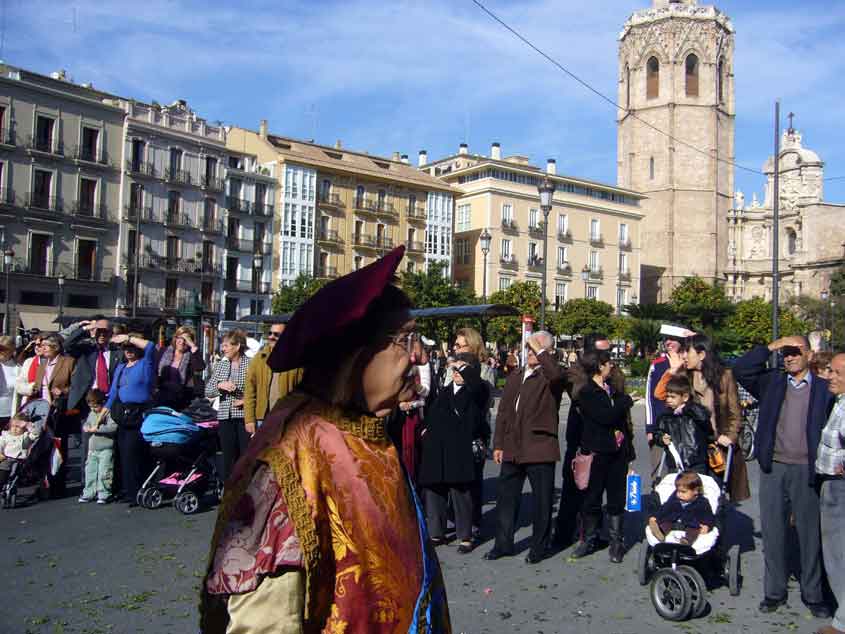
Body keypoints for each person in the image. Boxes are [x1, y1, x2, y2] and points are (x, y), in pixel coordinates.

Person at [201, 246, 450, 633]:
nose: (418, 357)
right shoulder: (292, 454)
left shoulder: (363, 430)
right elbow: (266, 620)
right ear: (356, 353)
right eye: (405, 339)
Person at [733, 335, 833, 618]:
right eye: (785, 353)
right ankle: (774, 592)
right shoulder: (772, 383)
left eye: (795, 352)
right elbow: (741, 370)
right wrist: (772, 346)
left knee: (809, 534)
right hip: (774, 467)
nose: (789, 357)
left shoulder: (823, 389)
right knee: (774, 532)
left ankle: (813, 594)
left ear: (809, 355)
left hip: (807, 470)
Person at [485, 331, 564, 564]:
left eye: (535, 348)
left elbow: (556, 375)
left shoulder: (551, 375)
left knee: (542, 502)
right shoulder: (516, 375)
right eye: (529, 348)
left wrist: (540, 350)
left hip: (539, 446)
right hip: (513, 446)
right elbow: (503, 412)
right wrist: (498, 444)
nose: (530, 351)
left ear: (548, 351)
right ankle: (503, 544)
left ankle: (539, 547)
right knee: (506, 499)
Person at [553, 332, 629, 549]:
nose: (608, 356)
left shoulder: (614, 372)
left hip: (611, 440)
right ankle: (564, 534)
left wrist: (627, 441)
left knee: (606, 491)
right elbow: (581, 396)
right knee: (575, 487)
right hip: (582, 438)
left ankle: (596, 534)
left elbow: (622, 409)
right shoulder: (577, 373)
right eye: (602, 351)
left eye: (609, 351)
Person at [655, 335, 750, 501]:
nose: (684, 355)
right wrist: (671, 372)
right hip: (693, 446)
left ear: (702, 354)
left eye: (687, 351)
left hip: (717, 445)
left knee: (713, 494)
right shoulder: (684, 375)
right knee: (689, 495)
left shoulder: (724, 375)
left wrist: (730, 436)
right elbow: (660, 394)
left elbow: (735, 412)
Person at [418, 352, 489, 553]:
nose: (456, 372)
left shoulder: (477, 390)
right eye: (454, 369)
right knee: (435, 489)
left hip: (460, 448)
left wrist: (463, 367)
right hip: (437, 447)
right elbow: (433, 413)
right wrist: (426, 429)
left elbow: (477, 388)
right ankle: (436, 532)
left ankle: (465, 535)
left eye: (461, 369)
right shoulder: (446, 390)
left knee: (460, 492)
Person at [570, 349, 634, 563]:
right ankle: (589, 538)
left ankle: (616, 542)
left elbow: (624, 424)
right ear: (599, 366)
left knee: (616, 497)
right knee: (592, 498)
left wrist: (629, 453)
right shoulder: (587, 392)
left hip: (617, 453)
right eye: (608, 363)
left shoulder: (613, 389)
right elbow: (605, 417)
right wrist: (625, 402)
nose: (611, 366)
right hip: (597, 452)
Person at [61, 317, 123, 486]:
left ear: (111, 333)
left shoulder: (117, 352)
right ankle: (87, 483)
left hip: (110, 399)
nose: (102, 335)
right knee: (88, 442)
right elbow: (66, 345)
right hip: (89, 399)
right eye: (99, 332)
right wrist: (86, 328)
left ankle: (110, 483)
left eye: (105, 332)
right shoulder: (86, 349)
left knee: (112, 442)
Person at [105, 332, 156, 506]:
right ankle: (125, 490)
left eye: (131, 348)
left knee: (133, 453)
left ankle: (136, 491)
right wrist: (103, 412)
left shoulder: (145, 364)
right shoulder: (121, 367)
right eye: (125, 348)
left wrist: (128, 338)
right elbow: (113, 391)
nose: (128, 351)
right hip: (122, 414)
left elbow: (150, 346)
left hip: (138, 413)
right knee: (121, 453)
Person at [816, 353, 845, 634]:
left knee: (838, 556)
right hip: (833, 484)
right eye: (830, 370)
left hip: (839, 487)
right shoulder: (839, 401)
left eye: (836, 373)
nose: (830, 376)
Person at [646, 324, 696, 473]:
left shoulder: (691, 362)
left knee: (688, 474)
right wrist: (650, 427)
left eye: (673, 339)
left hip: (688, 425)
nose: (668, 342)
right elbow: (651, 398)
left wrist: (696, 337)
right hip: (662, 425)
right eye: (666, 339)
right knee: (660, 474)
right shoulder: (658, 364)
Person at [205, 329, 250, 481]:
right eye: (222, 346)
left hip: (244, 417)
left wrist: (245, 400)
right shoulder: (221, 365)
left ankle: (244, 488)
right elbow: (208, 391)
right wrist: (220, 385)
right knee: (228, 457)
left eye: (226, 345)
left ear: (237, 346)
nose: (222, 349)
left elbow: (260, 390)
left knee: (245, 456)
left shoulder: (251, 364)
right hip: (225, 417)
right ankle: (228, 488)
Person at [244, 322, 303, 438]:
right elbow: (249, 390)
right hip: (262, 418)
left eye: (276, 334)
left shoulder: (296, 360)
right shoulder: (259, 358)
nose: (271, 337)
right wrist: (249, 419)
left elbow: (303, 391)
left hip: (287, 418)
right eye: (270, 333)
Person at [35, 334, 76, 497]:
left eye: (46, 345)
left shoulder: (68, 362)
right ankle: (44, 484)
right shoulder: (42, 364)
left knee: (59, 447)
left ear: (56, 347)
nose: (42, 348)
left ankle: (58, 485)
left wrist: (63, 391)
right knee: (42, 448)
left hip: (58, 411)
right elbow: (39, 386)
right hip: (42, 412)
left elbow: (76, 385)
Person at [654, 374, 713, 474]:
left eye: (673, 397)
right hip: (675, 462)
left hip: (696, 462)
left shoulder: (694, 412)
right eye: (667, 396)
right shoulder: (666, 417)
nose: (668, 400)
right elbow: (658, 433)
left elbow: (704, 420)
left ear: (685, 397)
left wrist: (687, 408)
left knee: (695, 483)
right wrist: (661, 438)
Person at [648, 470, 715, 546]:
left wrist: (707, 526)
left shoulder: (702, 502)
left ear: (695, 491)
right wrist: (656, 516)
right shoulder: (675, 497)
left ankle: (686, 541)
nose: (679, 494)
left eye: (683, 492)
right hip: (674, 520)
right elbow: (666, 507)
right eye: (678, 491)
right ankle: (660, 533)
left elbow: (709, 516)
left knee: (694, 531)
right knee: (666, 522)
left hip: (691, 523)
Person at [78, 389, 117, 504]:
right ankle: (88, 492)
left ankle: (104, 493)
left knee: (105, 472)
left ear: (102, 403)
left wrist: (98, 429)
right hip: (93, 449)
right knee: (90, 471)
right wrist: (86, 426)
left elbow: (113, 427)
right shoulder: (91, 414)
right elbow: (87, 423)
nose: (93, 409)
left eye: (95, 406)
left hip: (106, 448)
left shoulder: (108, 413)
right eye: (91, 407)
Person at [155, 325, 206, 410]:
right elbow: (154, 371)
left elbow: (200, 367)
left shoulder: (191, 356)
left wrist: (193, 346)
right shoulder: (163, 351)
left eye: (186, 340)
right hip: (161, 396)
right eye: (180, 338)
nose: (182, 342)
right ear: (175, 338)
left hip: (181, 400)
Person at [0, 412, 39, 488]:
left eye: (18, 427)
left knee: (17, 474)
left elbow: (36, 434)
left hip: (20, 460)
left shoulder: (26, 436)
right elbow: (0, 445)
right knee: (3, 473)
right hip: (6, 458)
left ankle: (13, 484)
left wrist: (28, 425)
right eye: (13, 426)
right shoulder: (6, 436)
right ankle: (2, 483)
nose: (15, 429)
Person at [15, 333, 45, 408]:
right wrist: (31, 388)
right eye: (35, 345)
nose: (37, 347)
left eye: (40, 345)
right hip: (29, 404)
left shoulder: (56, 363)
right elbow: (19, 385)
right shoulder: (29, 361)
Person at [0, 336, 20, 427]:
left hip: (9, 413)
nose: (1, 351)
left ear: (12, 350)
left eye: (4, 349)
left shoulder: (18, 368)